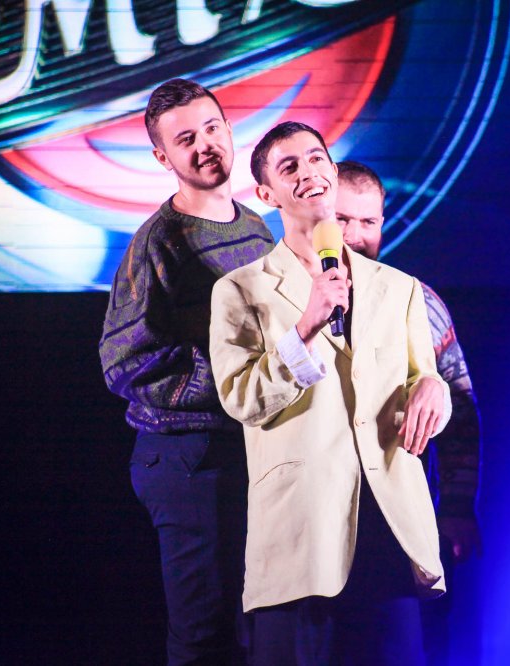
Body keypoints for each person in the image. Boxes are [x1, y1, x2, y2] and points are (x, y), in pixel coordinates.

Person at [209, 121, 450, 666]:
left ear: (334, 173)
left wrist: (434, 390)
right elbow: (241, 398)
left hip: (388, 522)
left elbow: (423, 377)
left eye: (317, 159)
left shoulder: (398, 287)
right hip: (303, 532)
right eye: (289, 166)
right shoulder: (240, 290)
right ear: (266, 194)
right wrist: (305, 329)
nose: (309, 172)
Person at [99, 78, 274, 665]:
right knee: (204, 639)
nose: (205, 146)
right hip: (188, 458)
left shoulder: (254, 226)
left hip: (245, 448)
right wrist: (229, 381)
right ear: (162, 157)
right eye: (185, 139)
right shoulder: (160, 243)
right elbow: (121, 361)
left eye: (211, 128)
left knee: (254, 625)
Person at [334, 160, 481, 664]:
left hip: (398, 520)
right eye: (341, 219)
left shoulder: (417, 300)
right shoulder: (287, 299)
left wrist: (458, 508)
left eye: (368, 221)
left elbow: (462, 411)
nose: (354, 236)